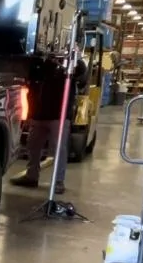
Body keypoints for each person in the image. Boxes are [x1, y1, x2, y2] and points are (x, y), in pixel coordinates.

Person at [11, 54, 87, 195]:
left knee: (59, 150)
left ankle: (58, 182)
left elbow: (81, 73)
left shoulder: (69, 63)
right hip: (38, 114)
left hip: (59, 115)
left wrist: (72, 58)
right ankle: (32, 176)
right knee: (32, 146)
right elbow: (29, 82)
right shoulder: (38, 62)